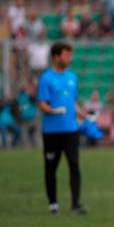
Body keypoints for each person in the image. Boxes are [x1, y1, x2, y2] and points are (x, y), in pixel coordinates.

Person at [37, 42, 88, 215]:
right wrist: (52, 110)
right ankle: (53, 204)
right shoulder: (46, 79)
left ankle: (75, 204)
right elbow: (42, 104)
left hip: (71, 130)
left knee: (74, 165)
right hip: (51, 132)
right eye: (66, 55)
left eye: (70, 55)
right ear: (56, 57)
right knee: (51, 168)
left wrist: (84, 114)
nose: (69, 58)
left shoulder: (73, 77)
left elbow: (73, 102)